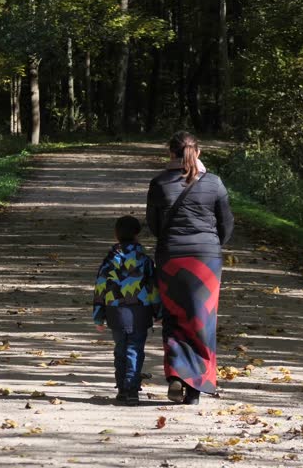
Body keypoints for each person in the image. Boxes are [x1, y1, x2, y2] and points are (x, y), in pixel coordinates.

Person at [146, 131, 234, 405]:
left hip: (172, 257)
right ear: (199, 152)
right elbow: (226, 225)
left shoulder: (159, 183)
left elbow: (153, 226)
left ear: (170, 152)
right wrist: (212, 245)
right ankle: (195, 389)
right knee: (202, 321)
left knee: (174, 317)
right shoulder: (215, 183)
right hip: (206, 259)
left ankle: (176, 375)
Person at [92, 215, 161, 406]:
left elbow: (100, 288)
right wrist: (158, 312)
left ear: (116, 235)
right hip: (140, 312)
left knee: (120, 349)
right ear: (137, 234)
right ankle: (132, 389)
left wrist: (98, 317)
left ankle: (122, 389)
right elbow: (153, 288)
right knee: (135, 349)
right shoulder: (145, 262)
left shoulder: (108, 261)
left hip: (115, 312)